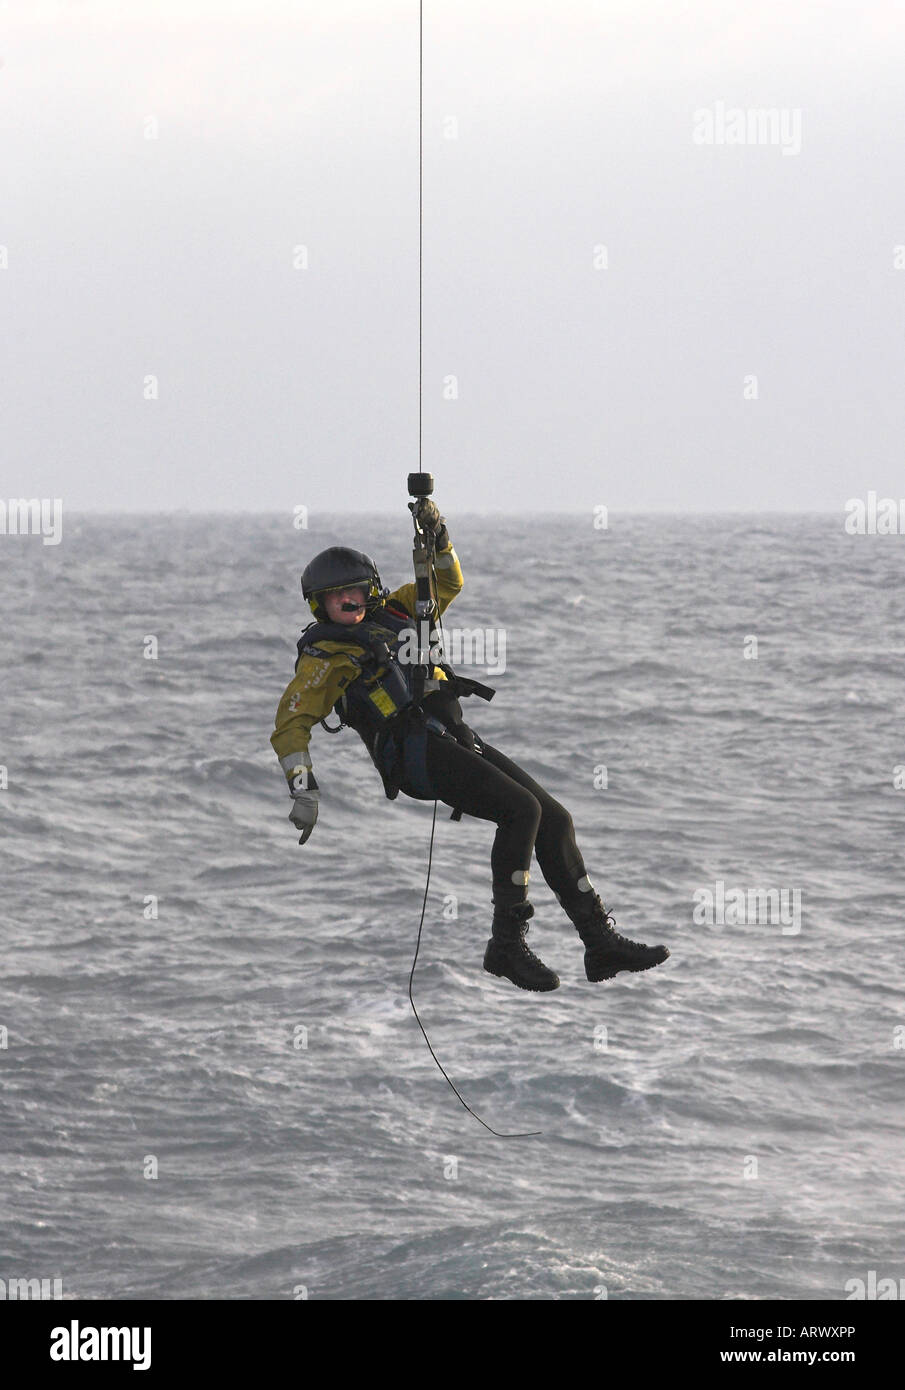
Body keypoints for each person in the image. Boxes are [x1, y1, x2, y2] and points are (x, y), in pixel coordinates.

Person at [271, 499, 669, 992]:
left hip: (451, 738)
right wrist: (304, 789)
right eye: (336, 599)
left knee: (555, 818)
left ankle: (599, 941)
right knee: (520, 811)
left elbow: (448, 581)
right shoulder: (325, 658)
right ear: (319, 606)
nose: (348, 602)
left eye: (354, 592)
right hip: (413, 756)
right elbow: (290, 727)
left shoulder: (399, 610)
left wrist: (437, 534)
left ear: (371, 590)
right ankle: (506, 945)